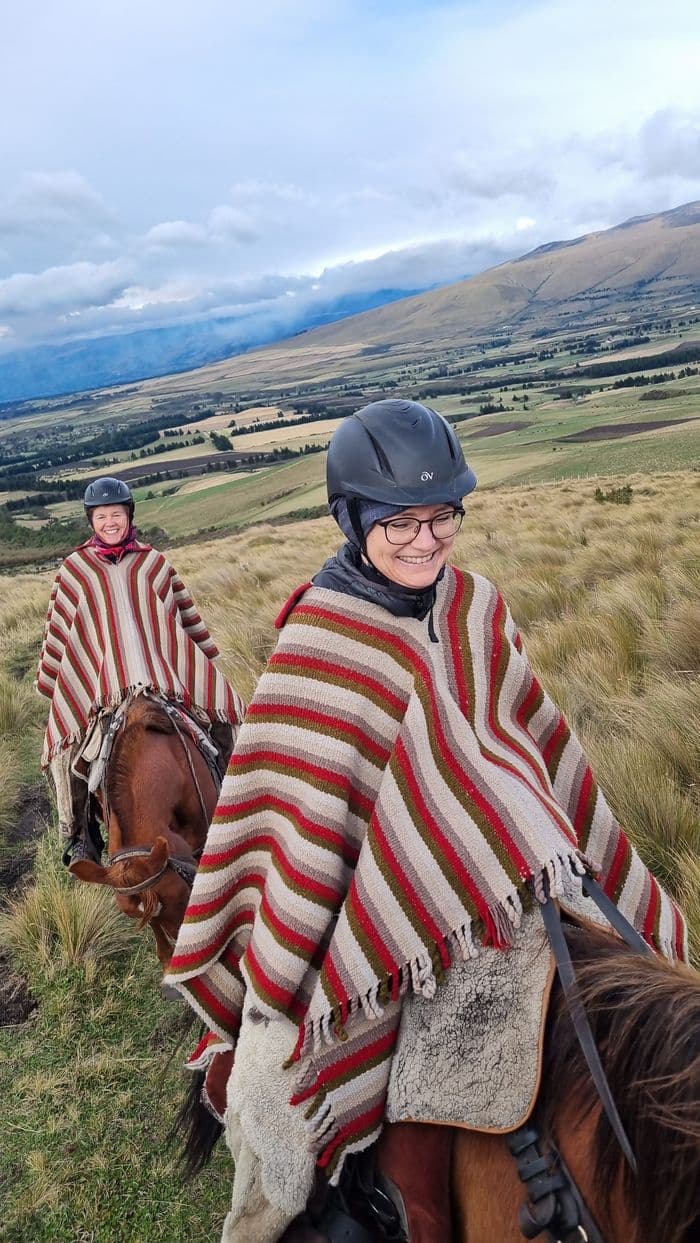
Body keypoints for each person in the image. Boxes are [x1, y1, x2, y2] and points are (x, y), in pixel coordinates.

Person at [164, 401, 686, 1243]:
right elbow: (293, 822)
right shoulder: (321, 643)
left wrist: (533, 843)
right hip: (383, 931)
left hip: (525, 888)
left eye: (442, 515)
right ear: (353, 518)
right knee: (314, 1149)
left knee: (648, 960)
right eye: (399, 520)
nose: (425, 538)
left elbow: (530, 746)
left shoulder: (474, 604)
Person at [37, 476, 244, 867]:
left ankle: (239, 800)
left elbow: (180, 619)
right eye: (101, 517)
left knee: (222, 717)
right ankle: (82, 834)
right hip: (104, 693)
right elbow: (63, 633)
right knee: (73, 753)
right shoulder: (75, 570)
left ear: (129, 516)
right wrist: (58, 680)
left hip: (164, 682)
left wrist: (194, 659)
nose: (110, 522)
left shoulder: (154, 562)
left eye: (116, 514)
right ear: (91, 521)